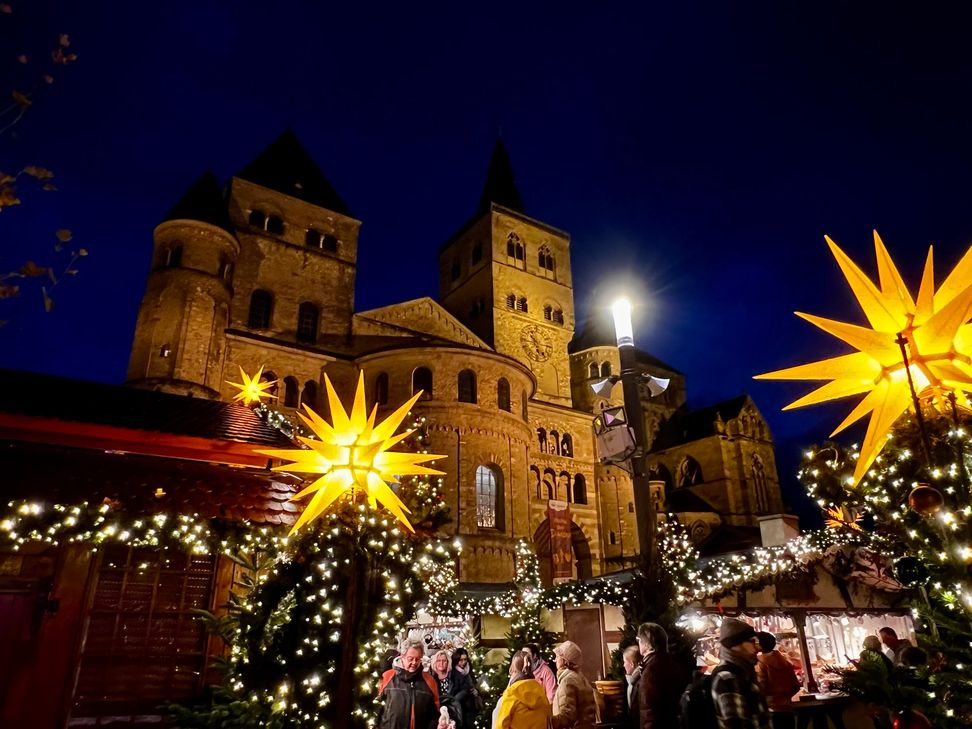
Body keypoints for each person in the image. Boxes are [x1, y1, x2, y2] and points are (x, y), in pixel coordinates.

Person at [711, 617, 770, 729]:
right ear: (735, 644)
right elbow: (737, 724)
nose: (757, 647)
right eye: (752, 641)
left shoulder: (742, 673)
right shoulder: (728, 679)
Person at [636, 622, 691, 729]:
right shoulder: (673, 664)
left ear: (646, 644)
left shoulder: (651, 670)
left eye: (639, 640)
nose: (638, 643)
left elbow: (649, 712)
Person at [378, 639, 441, 729]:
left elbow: (435, 713)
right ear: (402, 657)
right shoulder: (387, 677)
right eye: (410, 659)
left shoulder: (430, 681)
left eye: (418, 659)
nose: (414, 663)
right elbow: (377, 708)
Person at [495, 650, 552, 728]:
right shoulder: (540, 691)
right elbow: (548, 715)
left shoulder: (511, 692)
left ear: (514, 669)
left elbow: (501, 724)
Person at [754, 631, 799, 729]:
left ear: (759, 645)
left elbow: (761, 688)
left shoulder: (760, 664)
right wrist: (785, 697)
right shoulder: (785, 662)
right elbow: (796, 686)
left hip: (771, 710)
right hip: (788, 709)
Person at [551, 640, 597, 729]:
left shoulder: (568, 681)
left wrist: (548, 721)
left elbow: (568, 716)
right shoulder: (580, 678)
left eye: (558, 656)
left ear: (565, 661)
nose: (555, 660)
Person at [429, 649, 470, 726]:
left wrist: (452, 702)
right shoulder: (431, 679)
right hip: (437, 715)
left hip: (455, 713)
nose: (441, 663)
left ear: (448, 662)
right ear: (435, 662)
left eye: (444, 661)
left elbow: (465, 691)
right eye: (438, 661)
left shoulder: (456, 675)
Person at [451, 648, 480, 725]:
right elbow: (453, 693)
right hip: (460, 710)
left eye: (465, 659)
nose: (463, 662)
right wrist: (466, 691)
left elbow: (475, 684)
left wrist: (476, 691)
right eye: (461, 660)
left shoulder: (469, 670)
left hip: (472, 709)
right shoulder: (452, 673)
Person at [622, 644, 642, 722]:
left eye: (625, 662)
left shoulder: (639, 682)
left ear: (631, 664)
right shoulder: (631, 681)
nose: (623, 665)